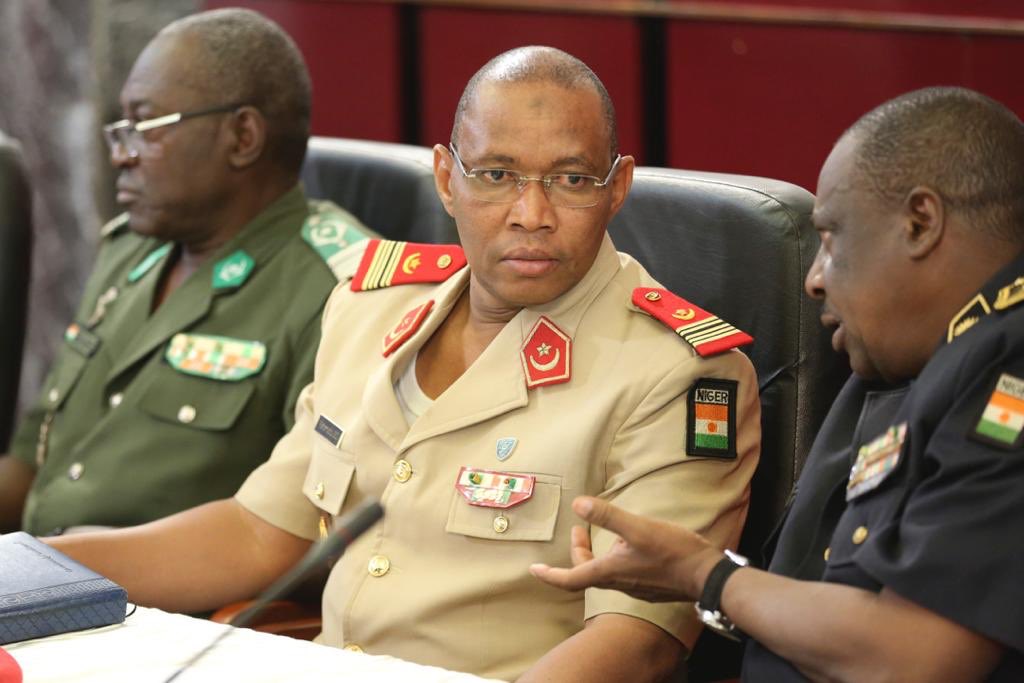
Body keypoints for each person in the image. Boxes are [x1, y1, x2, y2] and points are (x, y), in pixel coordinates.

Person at [46, 46, 761, 682]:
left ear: (617, 186)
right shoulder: (369, 306)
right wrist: (35, 567)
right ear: (447, 178)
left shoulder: (678, 374)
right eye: (497, 174)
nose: (531, 213)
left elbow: (636, 643)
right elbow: (260, 531)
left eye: (571, 179)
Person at [531, 86, 1024, 682]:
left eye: (832, 239)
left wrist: (704, 575)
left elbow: (914, 659)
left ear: (920, 223)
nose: (814, 279)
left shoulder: (1007, 369)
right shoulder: (906, 356)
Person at [0, 8, 374, 536]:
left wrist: (63, 562)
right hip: (40, 567)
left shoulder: (341, 292)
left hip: (164, 587)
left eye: (146, 127)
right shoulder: (130, 251)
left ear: (242, 137)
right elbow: (33, 464)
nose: (121, 156)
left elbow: (311, 529)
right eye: (121, 130)